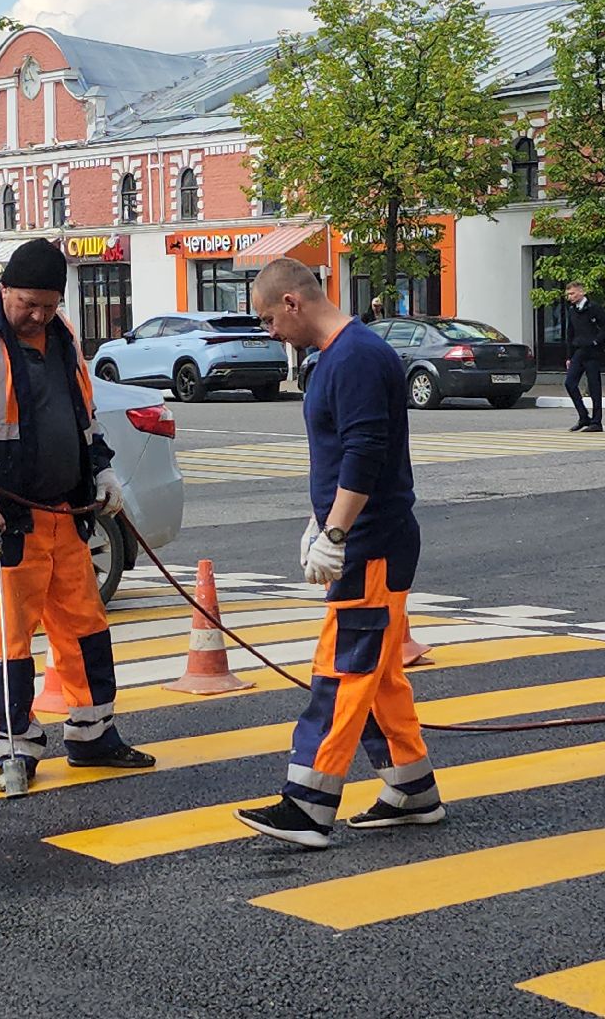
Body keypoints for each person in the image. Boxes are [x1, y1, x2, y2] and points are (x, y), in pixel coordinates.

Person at [0, 238, 156, 795]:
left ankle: (92, 736)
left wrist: (101, 471)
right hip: (7, 523)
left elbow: (84, 419)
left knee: (86, 630)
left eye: (48, 305)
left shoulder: (62, 338)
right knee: (10, 643)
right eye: (27, 303)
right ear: (3, 289)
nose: (37, 315)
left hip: (65, 516)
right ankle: (19, 747)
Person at [235, 257, 441, 850]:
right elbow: (342, 455)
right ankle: (411, 789)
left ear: (294, 304)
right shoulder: (343, 355)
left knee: (342, 671)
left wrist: (337, 533)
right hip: (369, 537)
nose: (270, 332)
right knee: (377, 676)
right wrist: (319, 522)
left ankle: (308, 806)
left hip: (370, 543)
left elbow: (365, 451)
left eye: (270, 319)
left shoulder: (352, 357)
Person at [563, 280, 605, 433]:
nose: (570, 297)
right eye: (568, 294)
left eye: (572, 293)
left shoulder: (594, 308)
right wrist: (569, 356)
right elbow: (570, 333)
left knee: (594, 387)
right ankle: (583, 416)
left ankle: (597, 422)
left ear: (581, 292)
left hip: (592, 352)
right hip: (578, 352)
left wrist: (595, 342)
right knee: (569, 383)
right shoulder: (572, 310)